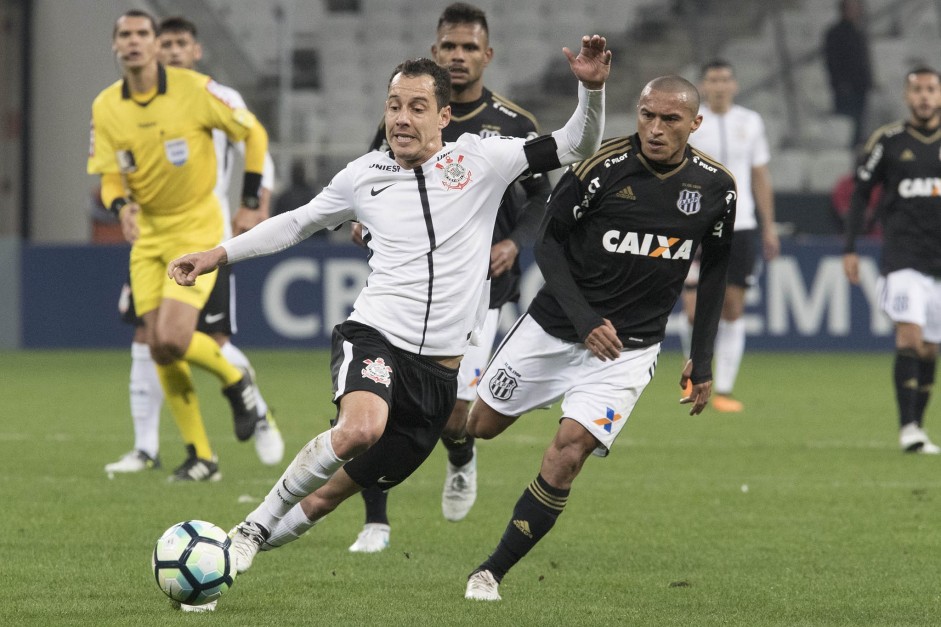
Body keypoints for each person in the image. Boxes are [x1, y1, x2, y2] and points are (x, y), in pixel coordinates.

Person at [167, 38, 611, 593]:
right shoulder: (364, 175)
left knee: (327, 497)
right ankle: (250, 530)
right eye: (393, 105)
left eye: (417, 107)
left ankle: (231, 559)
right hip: (374, 336)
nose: (401, 118)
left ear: (444, 115)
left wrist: (590, 88)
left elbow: (575, 144)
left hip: (438, 377)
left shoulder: (481, 159)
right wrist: (217, 254)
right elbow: (296, 222)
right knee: (360, 427)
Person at [462, 75, 737, 601]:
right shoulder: (601, 168)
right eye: (646, 115)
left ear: (695, 124)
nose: (654, 129)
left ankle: (490, 572)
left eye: (670, 119)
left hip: (627, 351)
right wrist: (585, 319)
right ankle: (461, 452)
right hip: (555, 329)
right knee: (479, 426)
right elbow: (547, 243)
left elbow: (717, 270)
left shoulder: (716, 187)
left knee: (568, 453)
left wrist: (701, 360)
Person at [347, 1, 554, 554]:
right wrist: (362, 225)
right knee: (372, 398)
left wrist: (514, 241)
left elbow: (543, 196)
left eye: (468, 48)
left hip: (477, 293)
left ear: (487, 55)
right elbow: (373, 184)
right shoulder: (404, 116)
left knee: (454, 416)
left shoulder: (513, 124)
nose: (458, 56)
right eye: (449, 47)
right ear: (435, 52)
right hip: (402, 287)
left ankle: (460, 455)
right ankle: (375, 520)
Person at [88, 10, 271, 482]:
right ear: (115, 45)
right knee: (159, 349)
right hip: (147, 233)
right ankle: (202, 457)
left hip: (196, 227)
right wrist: (120, 206)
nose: (133, 42)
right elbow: (109, 174)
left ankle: (237, 380)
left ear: (154, 44)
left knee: (170, 336)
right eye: (124, 34)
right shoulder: (106, 106)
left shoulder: (195, 90)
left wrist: (251, 199)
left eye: (141, 34)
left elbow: (252, 133)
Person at [843, 66, 941, 455]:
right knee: (910, 337)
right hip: (903, 256)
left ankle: (919, 427)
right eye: (917, 89)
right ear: (906, 96)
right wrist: (849, 247)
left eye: (931, 89)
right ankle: (908, 429)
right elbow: (859, 193)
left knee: (930, 348)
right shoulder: (888, 140)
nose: (924, 96)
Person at [678, 59, 779, 412]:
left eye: (724, 79)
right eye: (712, 80)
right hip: (697, 227)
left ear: (734, 85)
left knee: (733, 308)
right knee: (693, 310)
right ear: (704, 86)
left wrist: (769, 225)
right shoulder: (693, 124)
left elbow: (760, 175)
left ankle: (723, 388)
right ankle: (693, 377)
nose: (719, 85)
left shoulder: (750, 122)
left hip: (742, 225)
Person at [824, 0, 873, 150]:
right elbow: (832, 61)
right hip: (845, 90)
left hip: (860, 88)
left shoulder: (858, 32)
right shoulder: (835, 33)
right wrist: (841, 84)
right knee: (846, 128)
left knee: (859, 126)